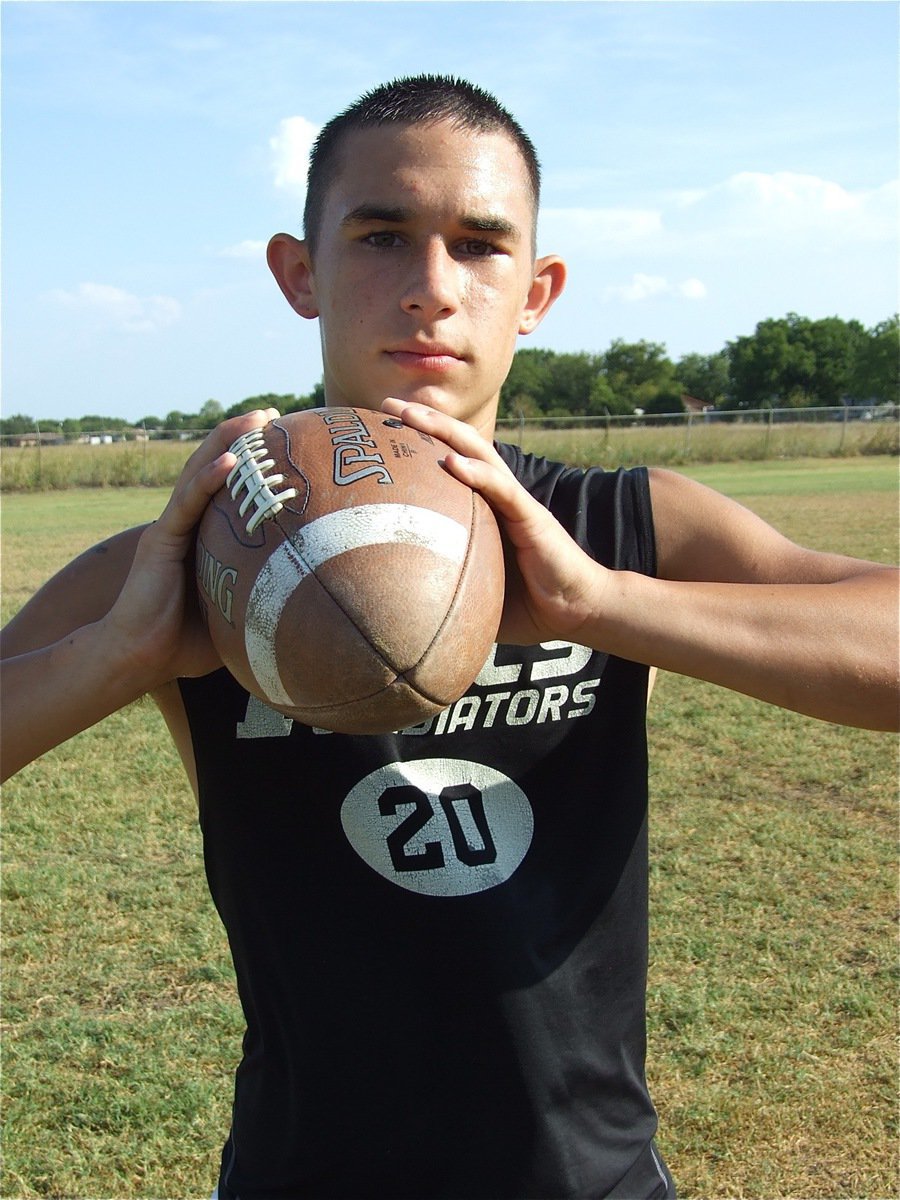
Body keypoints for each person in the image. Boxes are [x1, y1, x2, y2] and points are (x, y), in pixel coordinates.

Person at [2, 75, 896, 1199]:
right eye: (381, 235)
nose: (432, 289)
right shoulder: (186, 561)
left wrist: (603, 604)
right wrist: (114, 656)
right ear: (300, 271)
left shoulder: (625, 525)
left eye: (480, 246)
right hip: (303, 1173)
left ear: (537, 290)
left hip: (592, 1174)